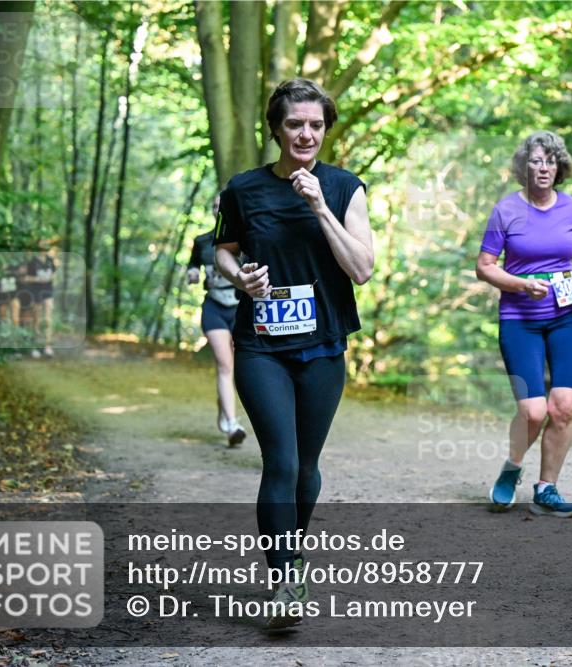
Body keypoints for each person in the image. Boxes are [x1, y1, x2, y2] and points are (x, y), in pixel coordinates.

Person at [214, 78, 373, 629]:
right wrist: (243, 280)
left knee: (306, 466)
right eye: (294, 124)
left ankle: (293, 557)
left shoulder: (345, 187)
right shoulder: (243, 189)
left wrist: (321, 208)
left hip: (324, 343)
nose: (306, 133)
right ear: (276, 129)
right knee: (279, 460)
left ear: (326, 129)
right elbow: (224, 252)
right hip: (260, 344)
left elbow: (362, 268)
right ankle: (284, 579)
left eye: (315, 125)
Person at [476, 130, 572, 518]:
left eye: (550, 161)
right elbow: (485, 267)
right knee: (533, 411)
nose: (543, 168)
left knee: (564, 407)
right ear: (523, 167)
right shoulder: (505, 210)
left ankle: (547, 489)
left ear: (559, 168)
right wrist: (520, 284)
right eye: (536, 161)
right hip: (519, 319)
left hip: (567, 318)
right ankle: (512, 469)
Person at [188, 195, 246, 447]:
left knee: (239, 368)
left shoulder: (247, 237)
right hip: (214, 308)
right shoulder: (202, 241)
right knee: (225, 364)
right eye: (214, 207)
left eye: (222, 206)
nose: (217, 210)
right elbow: (192, 267)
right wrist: (192, 274)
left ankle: (224, 406)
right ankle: (233, 425)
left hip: (241, 309)